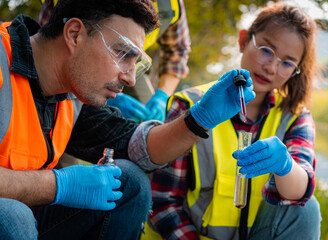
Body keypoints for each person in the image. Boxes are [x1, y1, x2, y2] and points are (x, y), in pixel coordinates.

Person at [0, 0, 255, 239]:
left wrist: (199, 118)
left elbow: (138, 147)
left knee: (128, 181)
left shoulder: (72, 95)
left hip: (31, 219)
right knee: (11, 216)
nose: (131, 80)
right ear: (75, 34)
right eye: (122, 54)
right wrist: (58, 186)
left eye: (137, 63)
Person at [146, 3, 322, 240]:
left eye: (287, 63)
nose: (271, 66)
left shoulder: (295, 116)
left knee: (307, 209)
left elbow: (300, 192)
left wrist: (286, 166)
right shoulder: (190, 105)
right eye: (266, 50)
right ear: (243, 41)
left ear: (295, 71)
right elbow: (163, 200)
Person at [39, 0, 191, 123]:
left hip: (130, 61)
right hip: (75, 53)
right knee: (62, 110)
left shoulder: (171, 5)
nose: (130, 81)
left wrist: (162, 96)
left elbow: (178, 51)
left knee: (146, 124)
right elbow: (48, 44)